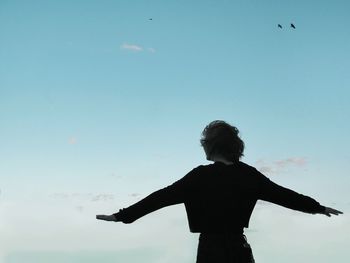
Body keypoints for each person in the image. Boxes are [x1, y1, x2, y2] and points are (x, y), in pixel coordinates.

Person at [96, 120, 343, 263]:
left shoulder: (199, 177)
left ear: (212, 147)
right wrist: (317, 207)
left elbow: (160, 197)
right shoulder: (249, 175)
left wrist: (122, 216)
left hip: (210, 251)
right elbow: (284, 195)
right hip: (238, 249)